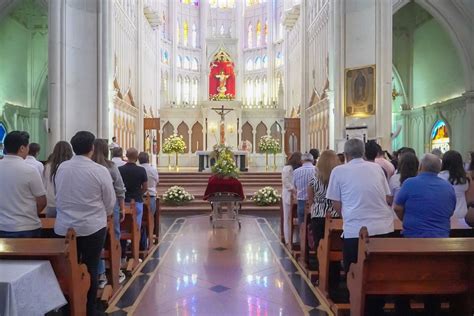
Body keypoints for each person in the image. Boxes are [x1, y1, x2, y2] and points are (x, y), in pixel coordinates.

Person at [326, 138, 394, 315]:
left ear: (346, 155)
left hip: (355, 230)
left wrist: (349, 216)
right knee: (379, 272)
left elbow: (335, 203)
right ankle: (375, 308)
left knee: (353, 272)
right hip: (383, 228)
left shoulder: (339, 171)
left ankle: (358, 306)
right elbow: (388, 197)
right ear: (363, 153)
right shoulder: (377, 168)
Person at [55, 131, 116, 316]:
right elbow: (110, 200)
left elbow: (59, 194)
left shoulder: (62, 168)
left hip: (64, 227)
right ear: (92, 148)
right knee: (90, 267)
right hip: (92, 227)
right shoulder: (99, 170)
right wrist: (103, 214)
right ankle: (89, 309)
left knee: (66, 270)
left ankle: (67, 307)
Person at [393, 153, 456, 314]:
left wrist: (406, 219)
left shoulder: (410, 183)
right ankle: (432, 308)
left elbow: (398, 207)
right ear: (439, 169)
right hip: (441, 243)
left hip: (413, 241)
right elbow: (450, 210)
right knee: (434, 276)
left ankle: (403, 308)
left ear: (421, 167)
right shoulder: (447, 186)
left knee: (402, 274)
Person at [91, 139, 127, 287]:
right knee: (114, 238)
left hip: (93, 208)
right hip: (110, 209)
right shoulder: (110, 167)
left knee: (96, 242)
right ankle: (116, 270)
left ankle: (100, 273)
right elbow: (120, 189)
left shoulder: (90, 167)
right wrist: (122, 207)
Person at [0, 131, 46, 238]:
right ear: (22, 148)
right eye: (27, 147)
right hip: (26, 228)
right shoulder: (30, 170)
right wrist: (30, 214)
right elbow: (42, 201)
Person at [307, 150, 340, 269]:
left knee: (319, 244)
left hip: (318, 215)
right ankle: (334, 271)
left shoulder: (314, 179)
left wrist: (314, 208)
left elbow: (310, 199)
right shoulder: (338, 179)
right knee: (336, 245)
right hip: (336, 214)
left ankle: (321, 271)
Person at [119, 148, 148, 253]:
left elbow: (117, 186)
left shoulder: (120, 169)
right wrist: (139, 193)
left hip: (123, 201)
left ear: (126, 155)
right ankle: (135, 251)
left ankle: (122, 252)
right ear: (137, 157)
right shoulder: (141, 170)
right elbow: (145, 187)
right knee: (136, 227)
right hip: (136, 201)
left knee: (122, 227)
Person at [43, 141, 73, 218]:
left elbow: (44, 186)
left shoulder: (48, 166)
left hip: (51, 204)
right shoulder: (71, 167)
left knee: (49, 228)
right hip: (67, 205)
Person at [438, 150, 469, 219]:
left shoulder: (439, 177)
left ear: (444, 162)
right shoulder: (464, 179)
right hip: (462, 212)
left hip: (445, 212)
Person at [293, 153, 316, 242]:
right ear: (313, 160)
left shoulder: (296, 171)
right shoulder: (317, 170)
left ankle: (302, 242)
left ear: (301, 161)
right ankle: (313, 244)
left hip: (301, 201)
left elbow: (294, 186)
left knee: (302, 224)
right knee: (313, 224)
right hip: (314, 202)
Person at [281, 152, 302, 245]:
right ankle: (287, 239)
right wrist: (294, 189)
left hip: (297, 193)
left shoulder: (298, 168)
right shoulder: (287, 168)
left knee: (295, 217)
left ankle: (296, 238)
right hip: (288, 193)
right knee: (287, 217)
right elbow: (286, 181)